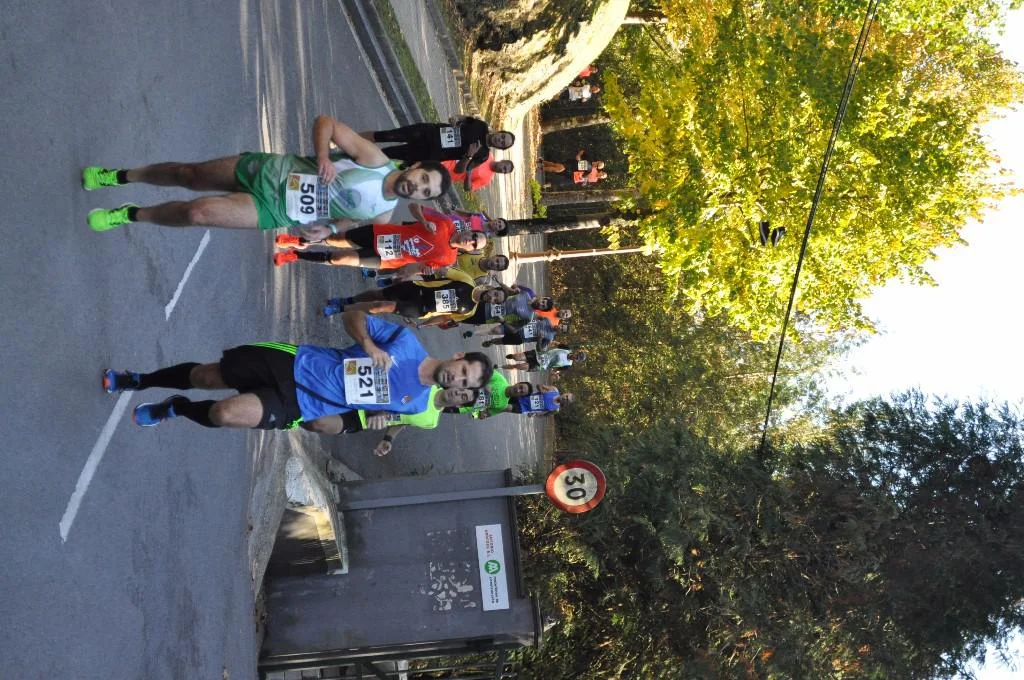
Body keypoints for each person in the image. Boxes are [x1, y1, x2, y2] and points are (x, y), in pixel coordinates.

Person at [100, 308, 493, 434]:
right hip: (293, 362)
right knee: (207, 376)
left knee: (224, 413)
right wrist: (370, 345)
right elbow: (353, 316)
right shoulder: (406, 342)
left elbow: (365, 414)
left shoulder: (416, 404)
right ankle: (140, 380)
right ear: (458, 356)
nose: (457, 380)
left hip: (304, 403)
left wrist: (375, 421)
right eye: (463, 371)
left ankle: (177, 407)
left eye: (465, 384)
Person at [84, 115, 450, 236]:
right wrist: (323, 157)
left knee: (197, 213)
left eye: (425, 192)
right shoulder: (375, 159)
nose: (417, 187)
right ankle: (122, 176)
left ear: (423, 200)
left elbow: (348, 220)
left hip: (275, 210)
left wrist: (329, 229)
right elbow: (325, 122)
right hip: (272, 170)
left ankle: (131, 214)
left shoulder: (383, 215)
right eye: (423, 179)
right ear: (415, 167)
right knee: (188, 174)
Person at [273, 203, 488, 275]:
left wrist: (421, 270)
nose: (470, 241)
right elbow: (414, 206)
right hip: (382, 233)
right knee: (337, 239)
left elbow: (418, 268)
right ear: (470, 230)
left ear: (470, 250)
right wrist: (423, 221)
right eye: (474, 236)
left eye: (474, 244)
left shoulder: (448, 259)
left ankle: (295, 255)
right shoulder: (446, 223)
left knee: (340, 258)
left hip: (387, 259)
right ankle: (298, 240)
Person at [334, 385, 479, 457]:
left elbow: (403, 422)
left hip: (362, 421)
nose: (458, 392)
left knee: (322, 424)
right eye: (461, 389)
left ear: (459, 406)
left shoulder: (432, 421)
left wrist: (388, 438)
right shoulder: (428, 383)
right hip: (360, 396)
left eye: (463, 397)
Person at [322, 270, 508, 326]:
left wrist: (423, 325)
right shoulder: (467, 280)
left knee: (382, 306)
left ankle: (339, 309)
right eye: (495, 294)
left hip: (421, 309)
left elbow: (445, 317)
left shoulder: (469, 311)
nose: (492, 298)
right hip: (417, 289)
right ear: (491, 288)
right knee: (379, 294)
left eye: (495, 301)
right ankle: (349, 300)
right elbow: (441, 271)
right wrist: (415, 272)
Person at [364, 115, 515, 180]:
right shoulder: (481, 125)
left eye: (502, 143)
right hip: (427, 132)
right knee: (385, 135)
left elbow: (459, 171)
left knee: (387, 154)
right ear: (500, 132)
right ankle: (351, 140)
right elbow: (460, 118)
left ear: (500, 148)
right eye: (502, 137)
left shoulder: (483, 155)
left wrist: (468, 156)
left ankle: (357, 159)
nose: (500, 140)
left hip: (427, 153)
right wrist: (455, 119)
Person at [450, 377, 535, 420]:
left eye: (521, 392)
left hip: (461, 408)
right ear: (518, 383)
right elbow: (480, 372)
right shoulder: (500, 379)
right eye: (520, 387)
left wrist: (482, 414)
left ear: (520, 397)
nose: (518, 390)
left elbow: (487, 414)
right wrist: (484, 385)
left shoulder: (503, 405)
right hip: (458, 390)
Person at [442, 156, 514, 192]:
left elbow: (468, 188)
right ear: (502, 160)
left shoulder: (487, 179)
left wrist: (468, 174)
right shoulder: (487, 154)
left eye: (504, 171)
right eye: (504, 167)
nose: (502, 170)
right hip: (447, 158)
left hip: (447, 174)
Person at [507, 384, 574, 416]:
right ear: (565, 393)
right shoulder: (554, 390)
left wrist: (535, 414)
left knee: (506, 408)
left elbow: (544, 414)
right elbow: (539, 385)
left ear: (566, 403)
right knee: (505, 397)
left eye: (567, 400)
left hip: (524, 408)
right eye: (566, 396)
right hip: (523, 397)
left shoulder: (556, 409)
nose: (565, 398)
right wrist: (541, 391)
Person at [505, 348, 586, 372]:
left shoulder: (567, 365)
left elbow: (556, 369)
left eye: (577, 358)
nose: (575, 357)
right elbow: (555, 344)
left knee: (519, 366)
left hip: (541, 365)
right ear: (576, 353)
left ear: (577, 361)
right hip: (539, 354)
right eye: (577, 355)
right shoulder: (567, 349)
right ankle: (512, 356)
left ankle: (501, 367)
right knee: (517, 357)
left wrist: (550, 368)